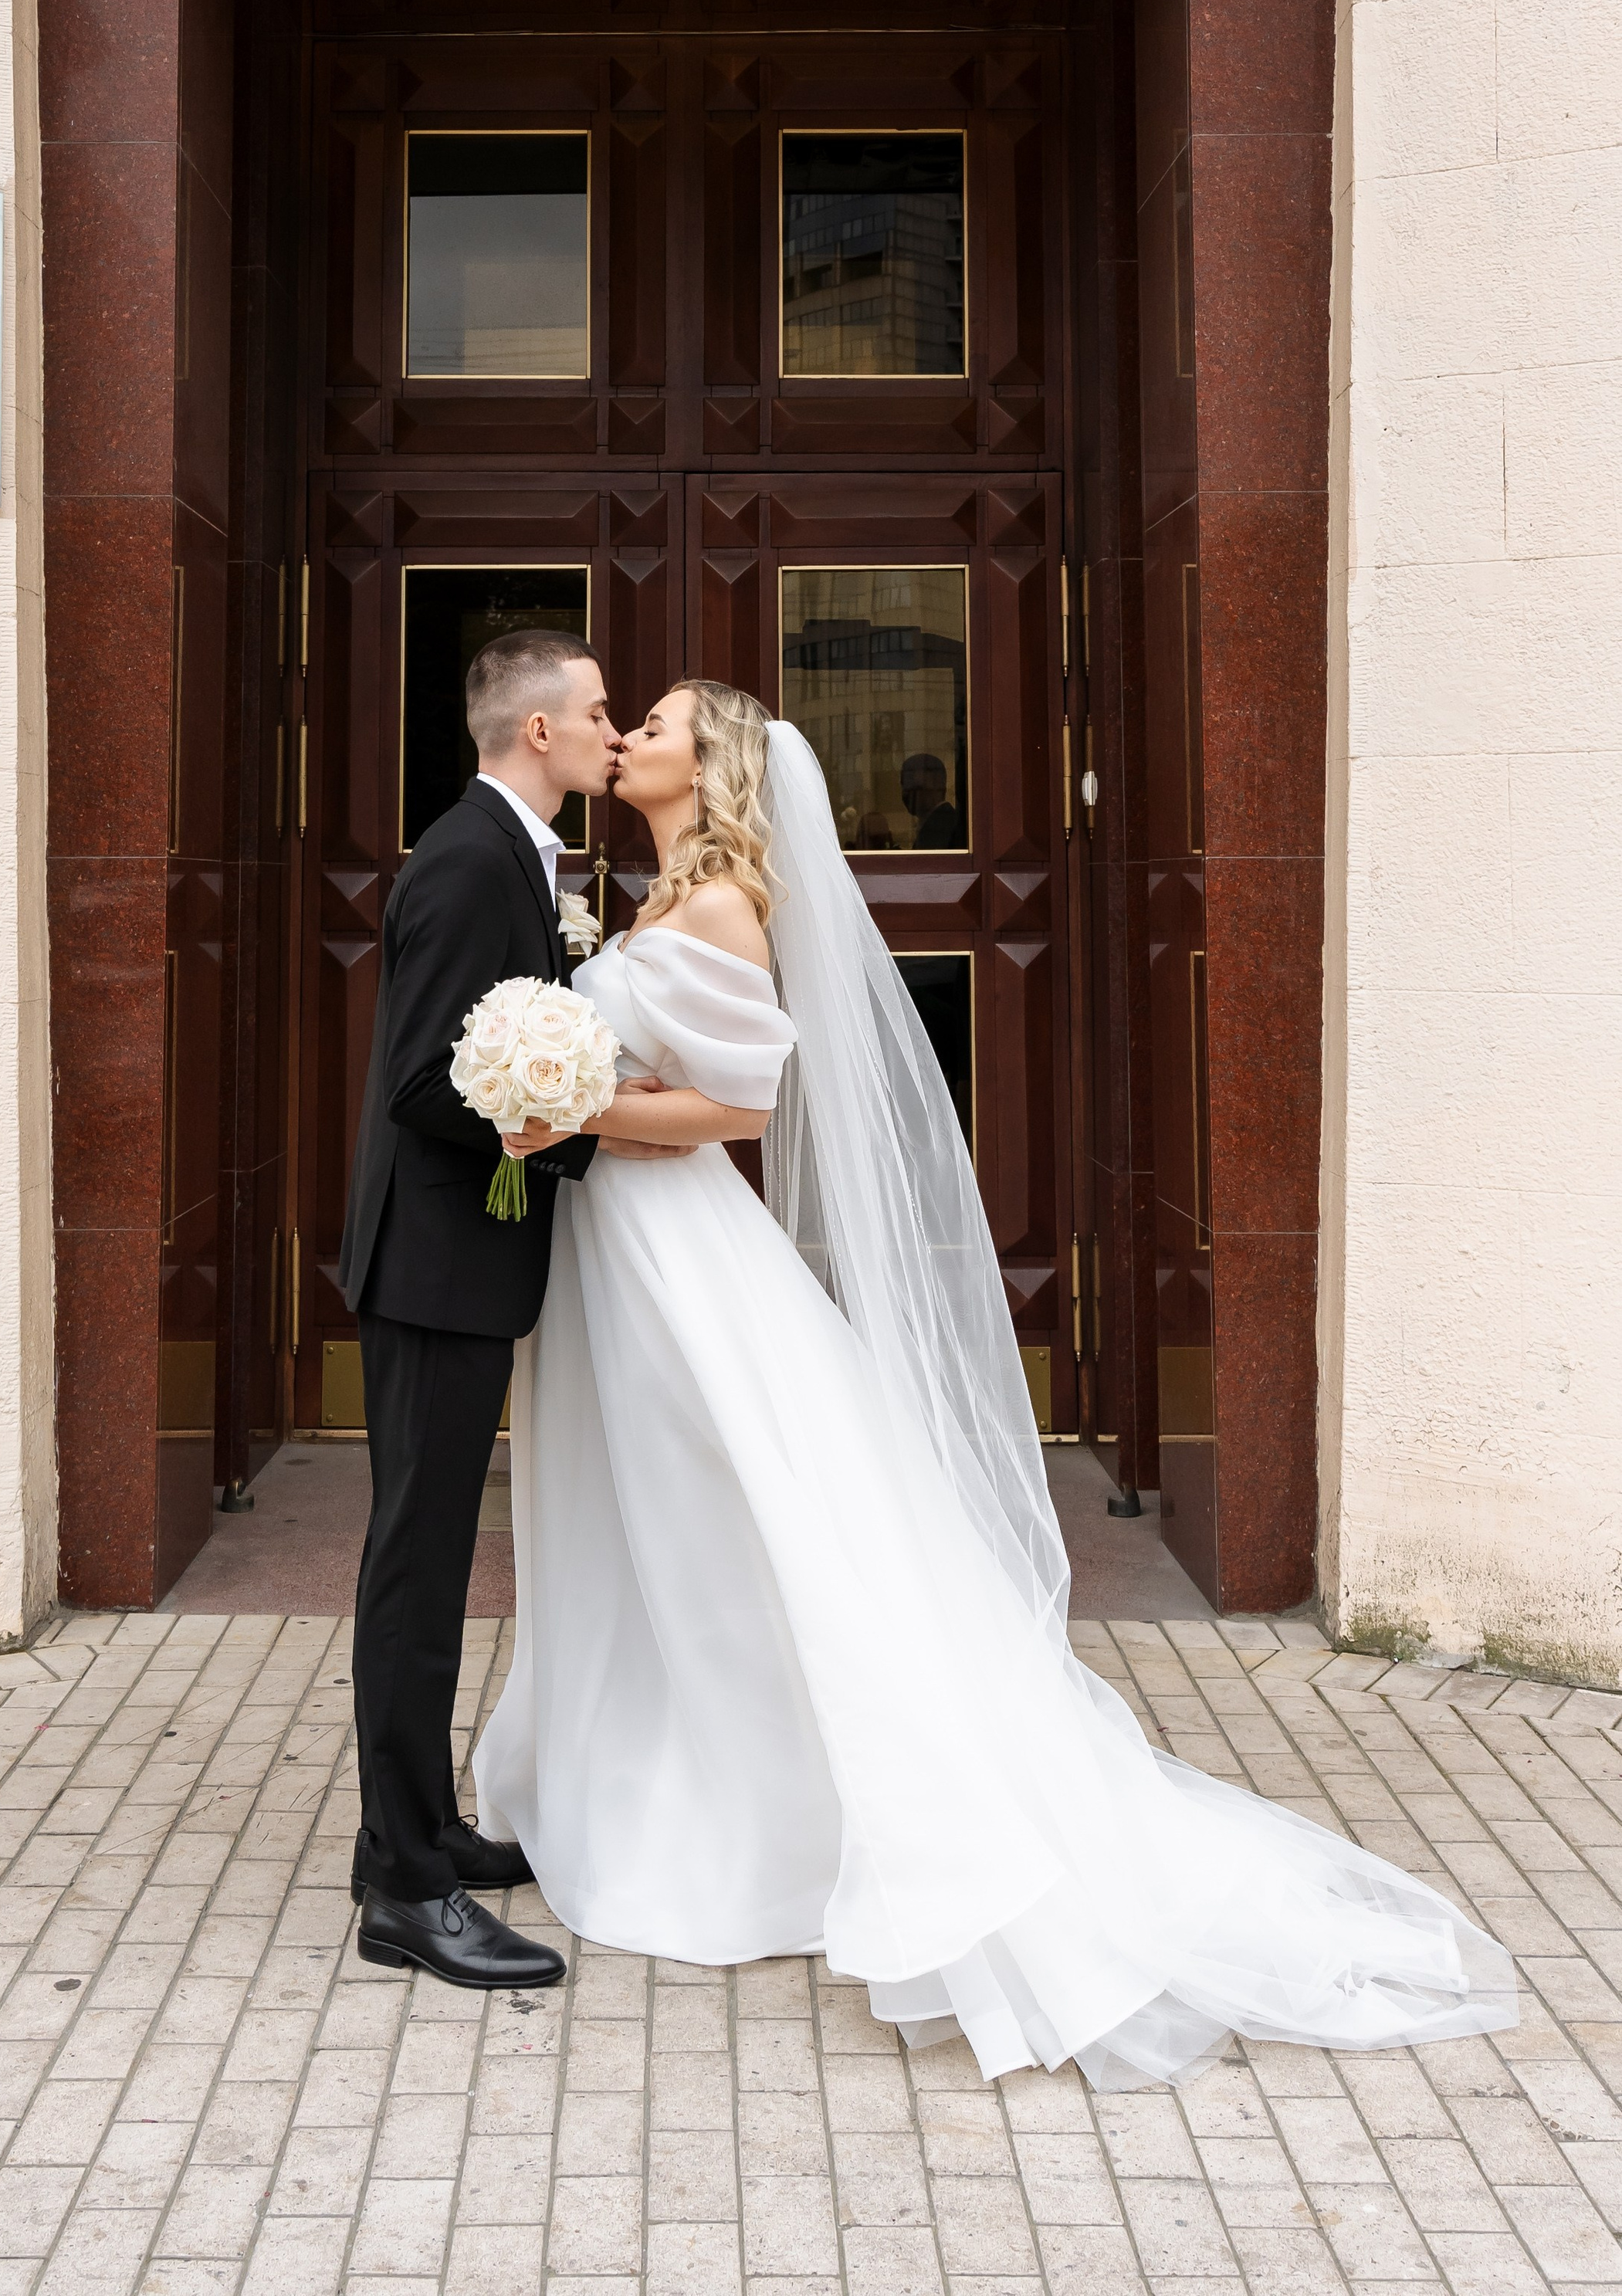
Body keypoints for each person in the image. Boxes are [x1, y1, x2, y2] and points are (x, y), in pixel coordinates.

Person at [472, 679, 1519, 2086]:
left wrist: (564, 1109)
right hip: (619, 1251)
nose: (630, 736)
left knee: (730, 1527)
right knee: (658, 1521)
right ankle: (664, 1770)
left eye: (654, 724)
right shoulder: (653, 897)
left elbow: (737, 1109)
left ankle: (767, 1820)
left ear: (707, 765)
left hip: (678, 1257)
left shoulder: (719, 908)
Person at [338, 628, 679, 1992]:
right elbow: (425, 1082)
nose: (612, 731)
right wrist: (585, 1116)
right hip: (432, 1269)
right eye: (598, 712)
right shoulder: (471, 860)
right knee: (417, 1575)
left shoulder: (513, 858)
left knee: (426, 1566)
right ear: (539, 730)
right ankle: (403, 1890)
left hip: (457, 1266)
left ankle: (424, 1832)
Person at [899, 747, 963, 847]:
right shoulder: (941, 823)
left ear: (938, 785)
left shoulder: (941, 828)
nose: (906, 794)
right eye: (904, 787)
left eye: (915, 787)